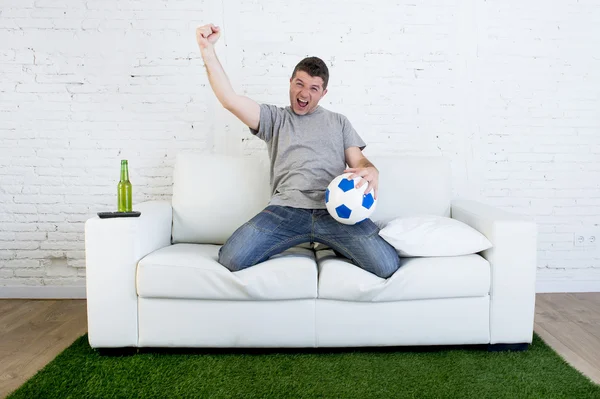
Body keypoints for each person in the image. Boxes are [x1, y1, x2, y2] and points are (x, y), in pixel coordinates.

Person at [196, 23, 400, 278]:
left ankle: (336, 242)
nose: (304, 93)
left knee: (386, 265)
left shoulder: (339, 122)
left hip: (334, 212)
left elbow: (358, 160)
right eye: (299, 84)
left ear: (323, 93)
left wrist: (372, 170)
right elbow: (229, 99)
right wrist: (207, 50)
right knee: (231, 258)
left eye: (313, 88)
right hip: (285, 211)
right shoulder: (275, 118)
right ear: (291, 82)